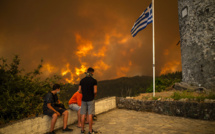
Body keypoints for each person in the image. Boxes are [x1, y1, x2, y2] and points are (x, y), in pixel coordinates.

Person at [78, 67, 98, 134]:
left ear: (87, 72)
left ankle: (82, 130)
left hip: (83, 100)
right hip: (90, 100)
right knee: (90, 115)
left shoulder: (82, 80)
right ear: (92, 72)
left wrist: (84, 93)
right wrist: (93, 96)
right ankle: (90, 130)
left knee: (83, 114)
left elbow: (79, 91)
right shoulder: (94, 80)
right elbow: (95, 91)